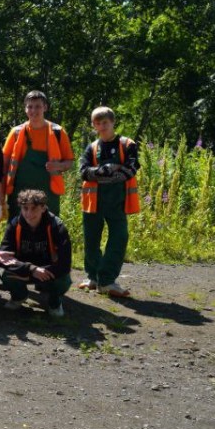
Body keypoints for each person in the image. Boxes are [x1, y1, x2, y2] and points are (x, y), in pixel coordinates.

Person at [78, 106, 140, 297]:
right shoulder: (92, 147)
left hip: (118, 201)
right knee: (91, 239)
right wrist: (104, 171)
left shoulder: (127, 144)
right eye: (97, 123)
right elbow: (83, 172)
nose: (101, 126)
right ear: (93, 125)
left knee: (119, 237)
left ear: (113, 122)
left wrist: (105, 174)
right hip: (93, 201)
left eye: (105, 122)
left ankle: (107, 280)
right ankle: (93, 277)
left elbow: (131, 168)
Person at [0, 189, 73, 317]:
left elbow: (65, 264)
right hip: (25, 269)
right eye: (25, 208)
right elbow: (4, 259)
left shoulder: (56, 226)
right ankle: (19, 296)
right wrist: (31, 269)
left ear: (43, 208)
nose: (29, 213)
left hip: (48, 271)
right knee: (5, 273)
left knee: (63, 280)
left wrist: (36, 272)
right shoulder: (14, 225)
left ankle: (54, 302)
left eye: (34, 208)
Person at [4, 90, 74, 215]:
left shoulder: (58, 132)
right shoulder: (16, 132)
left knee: (48, 228)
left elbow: (69, 161)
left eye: (38, 106)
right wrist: (1, 195)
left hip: (49, 194)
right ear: (25, 109)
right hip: (19, 192)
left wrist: (59, 166)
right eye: (30, 107)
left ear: (45, 107)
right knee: (18, 229)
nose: (33, 110)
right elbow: (4, 163)